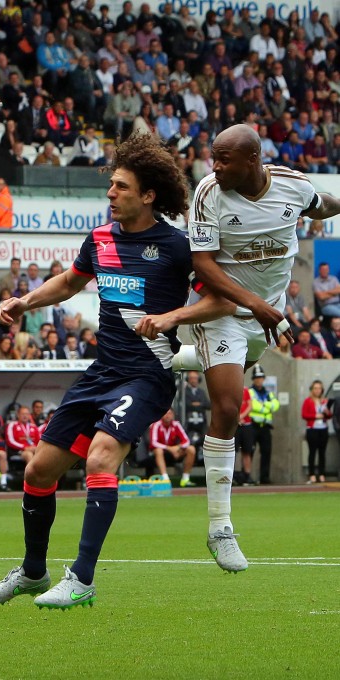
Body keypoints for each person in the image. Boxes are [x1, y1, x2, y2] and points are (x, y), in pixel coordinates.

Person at [0, 133, 192, 609]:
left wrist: (175, 318)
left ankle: (82, 578)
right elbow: (70, 282)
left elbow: (218, 297)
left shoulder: (178, 247)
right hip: (102, 373)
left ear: (148, 195)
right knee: (38, 470)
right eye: (111, 185)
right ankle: (33, 572)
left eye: (121, 186)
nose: (110, 193)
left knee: (100, 459)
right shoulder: (99, 239)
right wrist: (25, 301)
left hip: (147, 375)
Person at [140, 124, 340, 571]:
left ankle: (174, 357)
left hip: (266, 315)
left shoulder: (292, 185)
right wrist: (256, 304)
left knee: (230, 370)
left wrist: (335, 204)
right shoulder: (209, 193)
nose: (214, 166)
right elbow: (203, 265)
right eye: (213, 157)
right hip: (223, 310)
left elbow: (322, 204)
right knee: (229, 406)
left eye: (223, 159)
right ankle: (220, 528)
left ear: (253, 160)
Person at [148, 409, 197, 486]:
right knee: (158, 450)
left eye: (170, 413)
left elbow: (186, 441)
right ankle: (165, 480)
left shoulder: (176, 424)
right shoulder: (156, 425)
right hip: (160, 453)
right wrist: (169, 448)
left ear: (173, 415)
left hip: (175, 452)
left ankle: (185, 479)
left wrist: (178, 447)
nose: (168, 416)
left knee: (191, 449)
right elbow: (153, 443)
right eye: (165, 413)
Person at [302, 380, 330, 484]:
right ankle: (312, 474)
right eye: (315, 388)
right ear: (312, 390)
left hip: (323, 428)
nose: (318, 390)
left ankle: (322, 474)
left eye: (319, 388)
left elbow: (329, 415)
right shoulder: (308, 401)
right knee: (312, 452)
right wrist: (315, 416)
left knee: (322, 452)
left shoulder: (324, 401)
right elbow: (304, 414)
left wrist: (327, 412)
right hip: (312, 429)